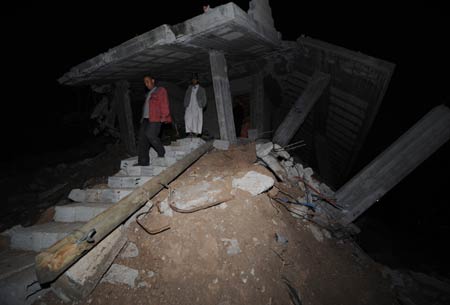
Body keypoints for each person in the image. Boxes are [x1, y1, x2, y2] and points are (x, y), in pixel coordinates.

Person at [136, 75, 172, 166]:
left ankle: (161, 152)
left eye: (148, 81)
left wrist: (164, 116)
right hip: (145, 119)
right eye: (145, 82)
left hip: (155, 118)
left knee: (150, 134)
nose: (146, 84)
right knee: (142, 139)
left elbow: (164, 103)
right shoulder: (148, 94)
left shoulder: (160, 90)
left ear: (153, 80)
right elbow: (146, 107)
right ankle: (143, 162)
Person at [184, 73, 207, 137]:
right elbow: (186, 97)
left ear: (197, 80)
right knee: (188, 118)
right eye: (193, 80)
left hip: (197, 106)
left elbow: (204, 99)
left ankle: (196, 133)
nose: (194, 81)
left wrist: (202, 105)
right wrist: (185, 104)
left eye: (195, 80)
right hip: (189, 106)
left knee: (197, 119)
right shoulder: (189, 89)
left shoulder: (201, 89)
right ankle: (190, 132)